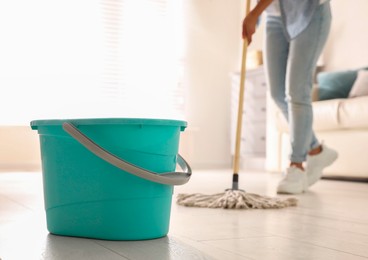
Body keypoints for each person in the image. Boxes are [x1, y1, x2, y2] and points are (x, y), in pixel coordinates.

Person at [242, 0, 338, 194]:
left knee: (297, 91)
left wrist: (254, 14)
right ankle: (316, 150)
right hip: (275, 17)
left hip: (309, 12)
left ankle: (296, 165)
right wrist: (257, 16)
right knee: (277, 93)